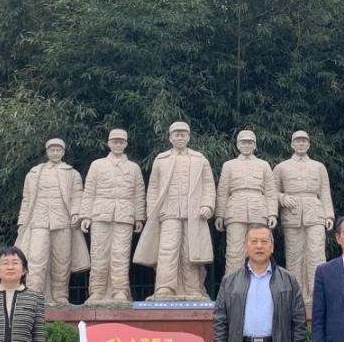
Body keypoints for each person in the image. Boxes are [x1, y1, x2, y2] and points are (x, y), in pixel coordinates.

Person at [133, 121, 216, 300]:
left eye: (183, 134)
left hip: (194, 213)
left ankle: (192, 289)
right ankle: (164, 287)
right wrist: (152, 213)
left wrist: (207, 205)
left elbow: (209, 185)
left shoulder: (200, 159)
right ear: (170, 137)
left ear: (189, 137)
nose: (180, 137)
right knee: (167, 249)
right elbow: (153, 188)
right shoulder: (161, 159)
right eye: (176, 134)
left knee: (191, 251)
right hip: (168, 212)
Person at [15, 138, 89, 305]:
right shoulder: (34, 173)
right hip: (38, 220)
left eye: (58, 150)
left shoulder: (72, 173)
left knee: (61, 260)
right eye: (52, 150)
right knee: (36, 258)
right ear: (47, 152)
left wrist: (76, 213)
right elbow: (26, 200)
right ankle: (34, 294)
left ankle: (60, 296)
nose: (55, 153)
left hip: (62, 220)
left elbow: (78, 195)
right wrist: (21, 222)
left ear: (63, 152)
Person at [79, 128, 146, 303]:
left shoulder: (133, 168)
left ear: (126, 144)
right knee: (98, 253)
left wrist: (139, 217)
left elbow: (139, 194)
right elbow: (89, 191)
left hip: (124, 215)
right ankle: (97, 291)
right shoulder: (97, 165)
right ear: (109, 143)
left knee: (121, 254)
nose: (118, 144)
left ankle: (120, 291)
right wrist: (85, 215)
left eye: (121, 142)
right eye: (115, 141)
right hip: (100, 214)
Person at [273, 130, 334, 303]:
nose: (301, 144)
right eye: (297, 141)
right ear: (292, 144)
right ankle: (297, 295)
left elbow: (324, 192)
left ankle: (318, 294)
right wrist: (282, 198)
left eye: (304, 141)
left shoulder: (319, 167)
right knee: (294, 255)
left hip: (315, 212)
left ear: (309, 144)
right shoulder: (281, 167)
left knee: (316, 253)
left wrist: (329, 215)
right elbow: (271, 191)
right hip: (292, 214)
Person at [215, 130, 278, 276]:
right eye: (243, 142)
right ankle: (233, 286)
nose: (247, 145)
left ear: (254, 145)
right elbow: (223, 191)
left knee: (260, 249)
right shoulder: (229, 165)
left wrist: (272, 214)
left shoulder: (264, 165)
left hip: (259, 210)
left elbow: (270, 191)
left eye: (250, 142)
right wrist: (220, 215)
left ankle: (260, 282)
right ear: (238, 145)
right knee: (234, 252)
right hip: (235, 211)